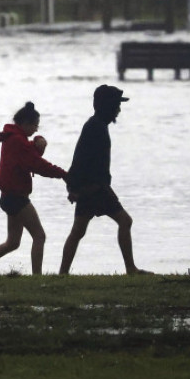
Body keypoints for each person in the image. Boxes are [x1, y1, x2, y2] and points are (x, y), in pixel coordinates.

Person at [0, 101, 67, 276]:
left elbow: (28, 157)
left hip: (9, 197)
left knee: (12, 243)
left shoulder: (15, 138)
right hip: (16, 198)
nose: (36, 130)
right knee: (39, 236)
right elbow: (37, 165)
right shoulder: (17, 140)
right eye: (35, 126)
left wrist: (37, 142)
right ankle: (37, 277)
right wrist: (64, 174)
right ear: (25, 123)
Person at [60, 84, 151, 275]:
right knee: (125, 221)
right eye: (117, 105)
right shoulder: (96, 128)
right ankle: (131, 269)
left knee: (78, 231)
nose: (119, 110)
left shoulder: (96, 125)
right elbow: (81, 160)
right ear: (107, 106)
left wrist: (74, 187)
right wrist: (74, 187)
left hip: (91, 187)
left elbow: (79, 160)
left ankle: (63, 273)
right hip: (95, 188)